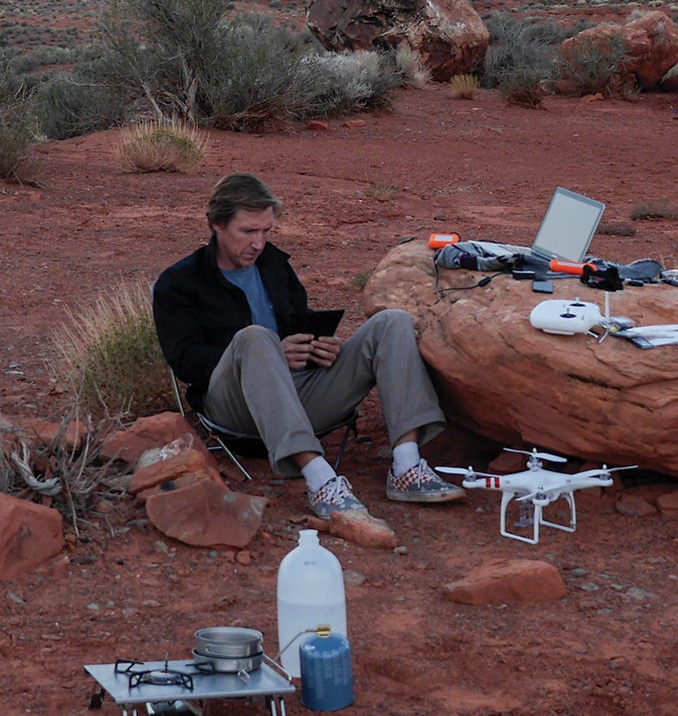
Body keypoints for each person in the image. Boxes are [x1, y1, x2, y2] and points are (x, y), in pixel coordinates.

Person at [152, 172, 463, 547]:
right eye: (248, 231)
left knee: (392, 323)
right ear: (217, 224)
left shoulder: (272, 265)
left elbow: (298, 324)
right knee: (255, 338)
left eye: (266, 231)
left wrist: (320, 349)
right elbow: (185, 361)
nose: (259, 243)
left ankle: (407, 465)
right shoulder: (179, 283)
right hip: (234, 406)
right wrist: (269, 353)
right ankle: (320, 480)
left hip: (299, 396)